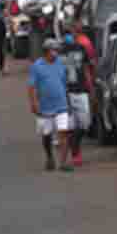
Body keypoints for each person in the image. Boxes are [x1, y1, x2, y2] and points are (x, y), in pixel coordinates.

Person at [28, 38, 74, 172]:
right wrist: (33, 103)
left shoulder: (60, 64)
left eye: (57, 50)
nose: (56, 53)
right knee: (46, 134)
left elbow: (64, 85)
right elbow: (31, 87)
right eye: (54, 50)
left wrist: (68, 102)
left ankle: (63, 162)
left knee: (64, 132)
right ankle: (49, 157)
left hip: (62, 105)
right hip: (45, 107)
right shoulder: (37, 66)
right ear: (47, 51)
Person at [57, 27, 96, 166]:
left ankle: (74, 145)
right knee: (72, 126)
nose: (69, 37)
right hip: (66, 92)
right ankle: (75, 152)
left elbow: (86, 69)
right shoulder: (57, 52)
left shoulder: (81, 49)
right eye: (66, 34)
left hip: (81, 90)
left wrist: (91, 88)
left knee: (85, 124)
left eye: (71, 34)